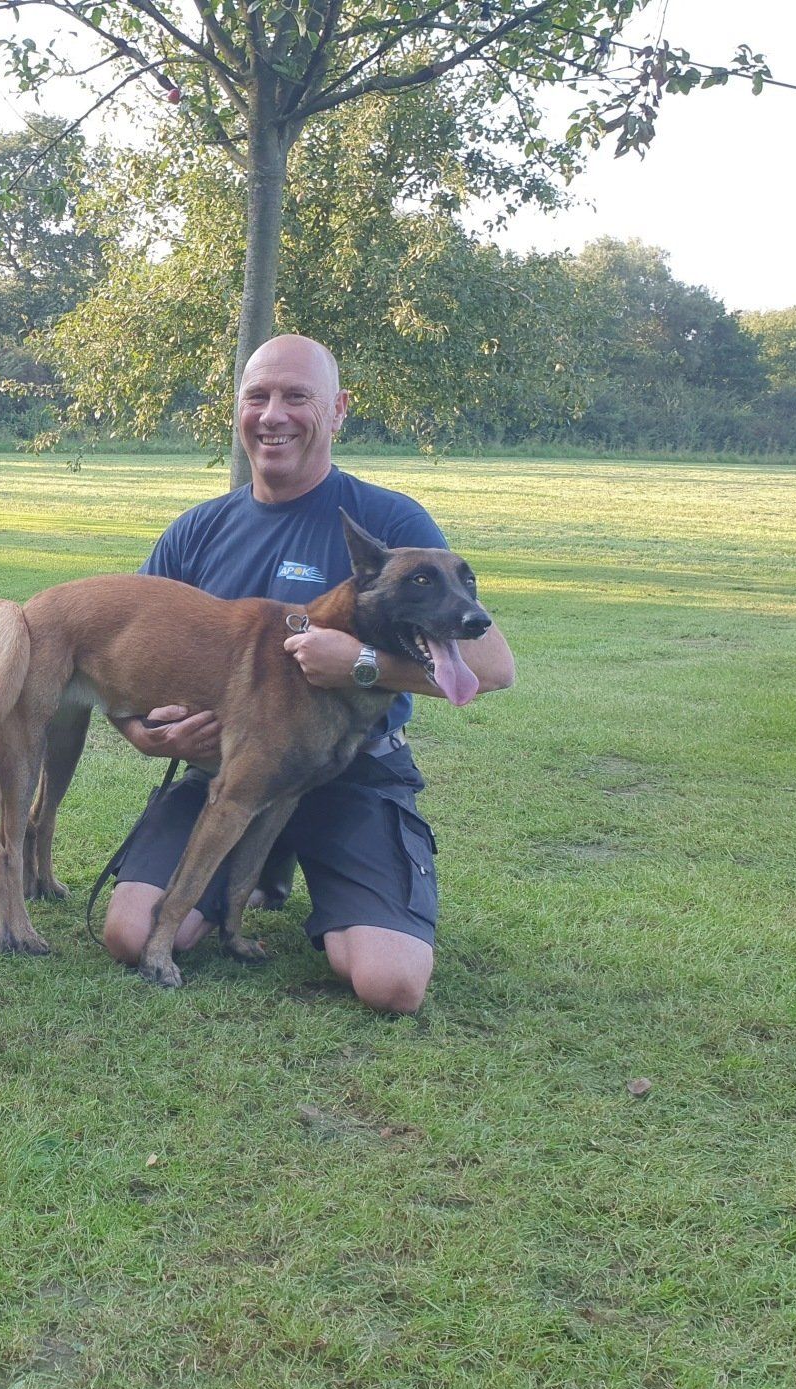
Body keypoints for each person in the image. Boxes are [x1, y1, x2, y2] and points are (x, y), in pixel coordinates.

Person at [100, 334, 516, 1014]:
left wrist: (358, 665)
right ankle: (254, 871)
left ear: (338, 409)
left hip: (356, 775)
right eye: (257, 397)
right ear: (238, 409)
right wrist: (142, 731)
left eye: (297, 397)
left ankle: (295, 867)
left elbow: (493, 668)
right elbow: (121, 655)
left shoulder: (389, 521)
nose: (274, 416)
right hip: (226, 777)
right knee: (130, 935)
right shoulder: (198, 530)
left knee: (391, 984)